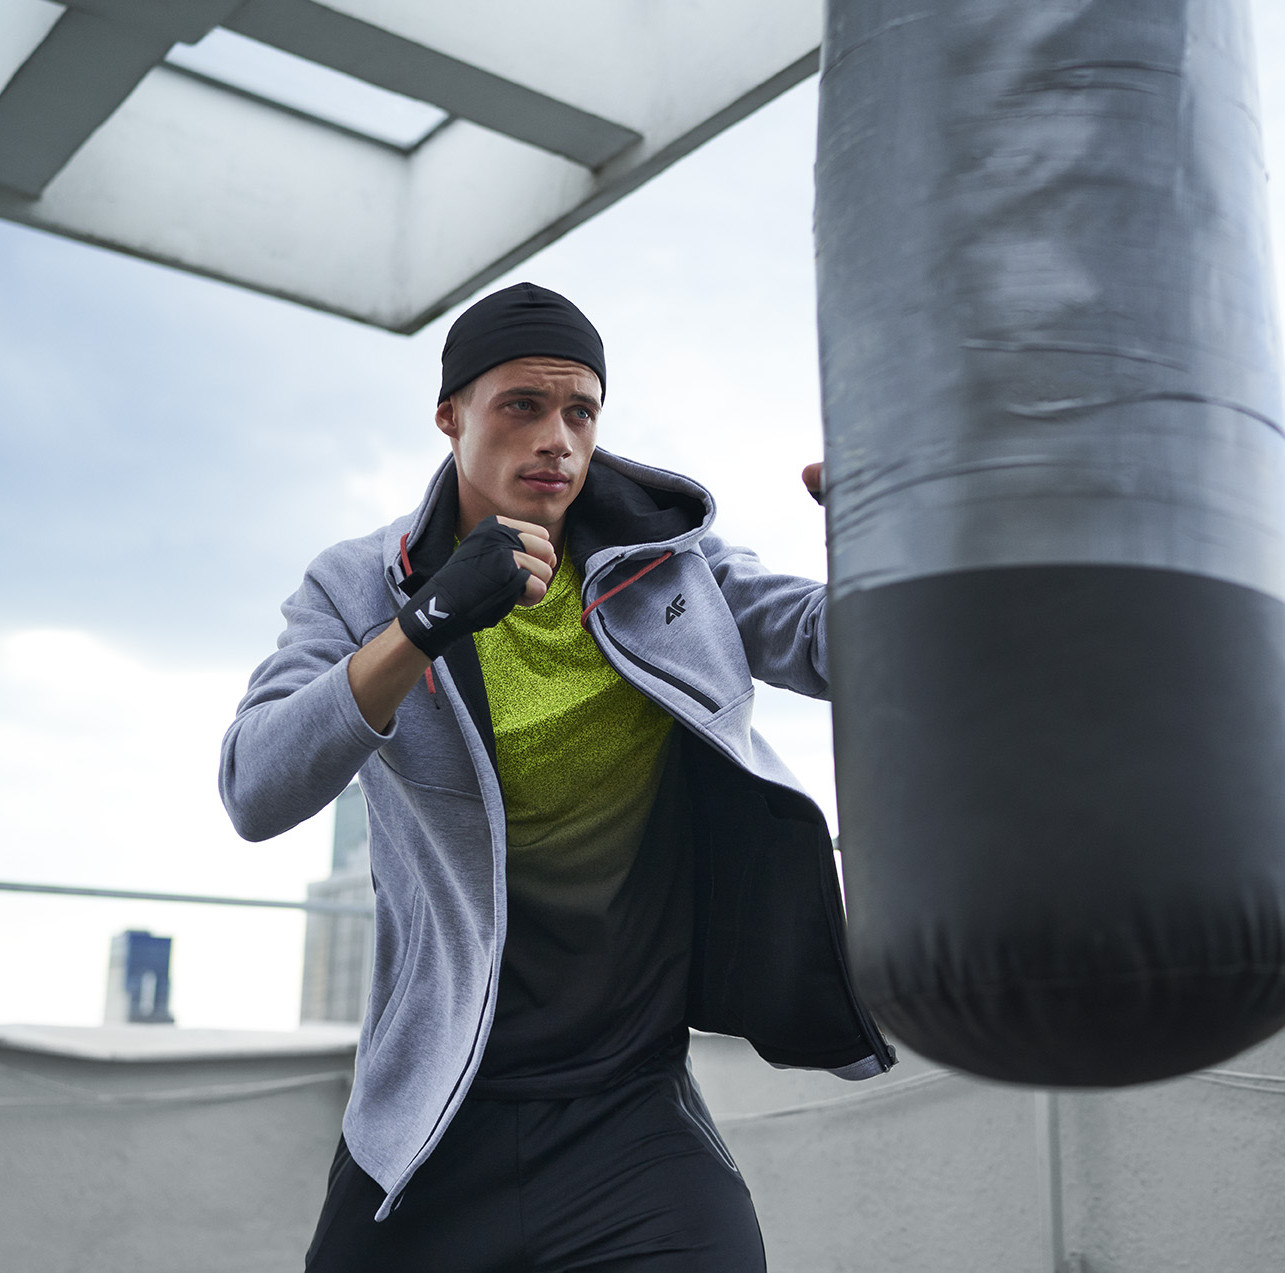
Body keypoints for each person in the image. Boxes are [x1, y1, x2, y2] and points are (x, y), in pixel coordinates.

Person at [219, 282, 892, 1271]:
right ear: (451, 416)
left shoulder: (667, 566)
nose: (557, 440)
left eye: (581, 411)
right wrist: (424, 625)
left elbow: (843, 651)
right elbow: (255, 787)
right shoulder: (357, 585)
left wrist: (881, 524)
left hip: (631, 1113)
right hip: (435, 1120)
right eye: (522, 406)